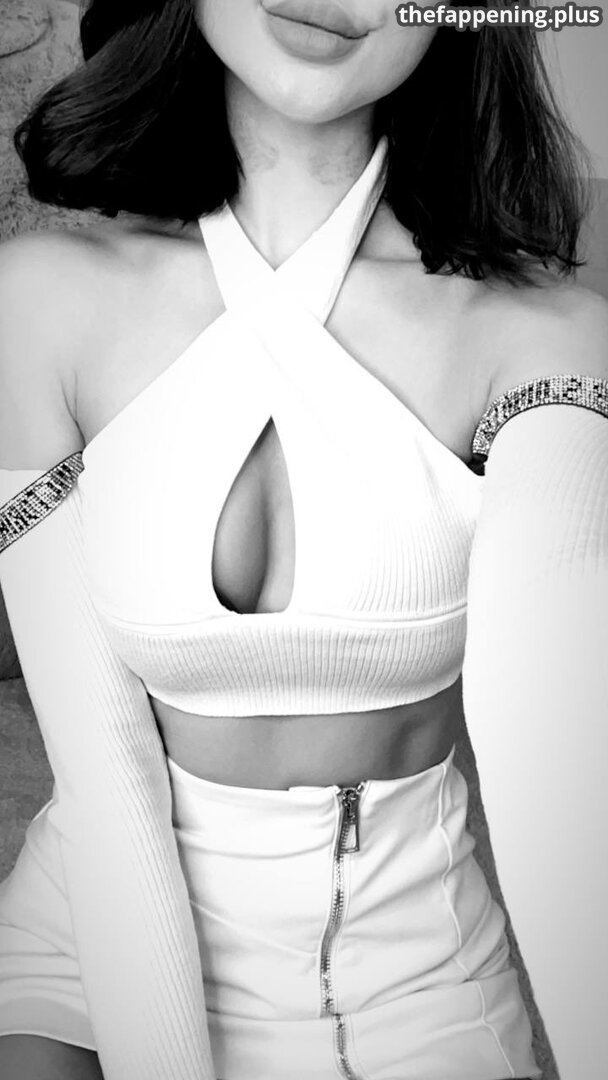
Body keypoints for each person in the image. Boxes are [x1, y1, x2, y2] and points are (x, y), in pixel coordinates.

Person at [0, 1, 606, 1078]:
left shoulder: (543, 338)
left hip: (410, 977)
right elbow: (102, 778)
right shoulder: (41, 299)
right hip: (92, 928)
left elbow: (552, 768)